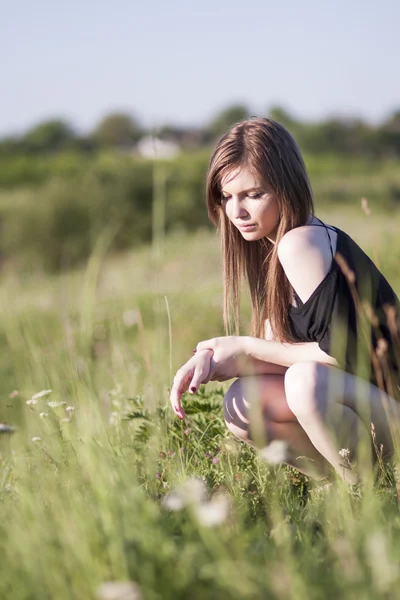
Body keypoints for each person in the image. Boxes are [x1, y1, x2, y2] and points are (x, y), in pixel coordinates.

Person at [169, 117, 400, 484]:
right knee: (242, 401)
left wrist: (244, 345)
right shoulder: (272, 250)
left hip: (392, 405)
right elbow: (277, 351)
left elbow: (340, 355)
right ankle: (343, 487)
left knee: (305, 382)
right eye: (227, 197)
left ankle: (365, 499)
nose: (236, 212)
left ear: (286, 188)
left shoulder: (300, 244)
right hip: (372, 409)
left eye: (253, 194)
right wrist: (210, 356)